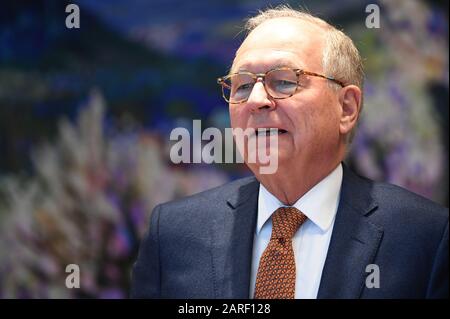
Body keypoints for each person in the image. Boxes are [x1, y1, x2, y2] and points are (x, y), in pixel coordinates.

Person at [131, 6, 448, 299]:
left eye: (282, 81)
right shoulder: (174, 233)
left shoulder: (425, 237)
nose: (255, 100)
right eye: (241, 86)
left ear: (346, 108)